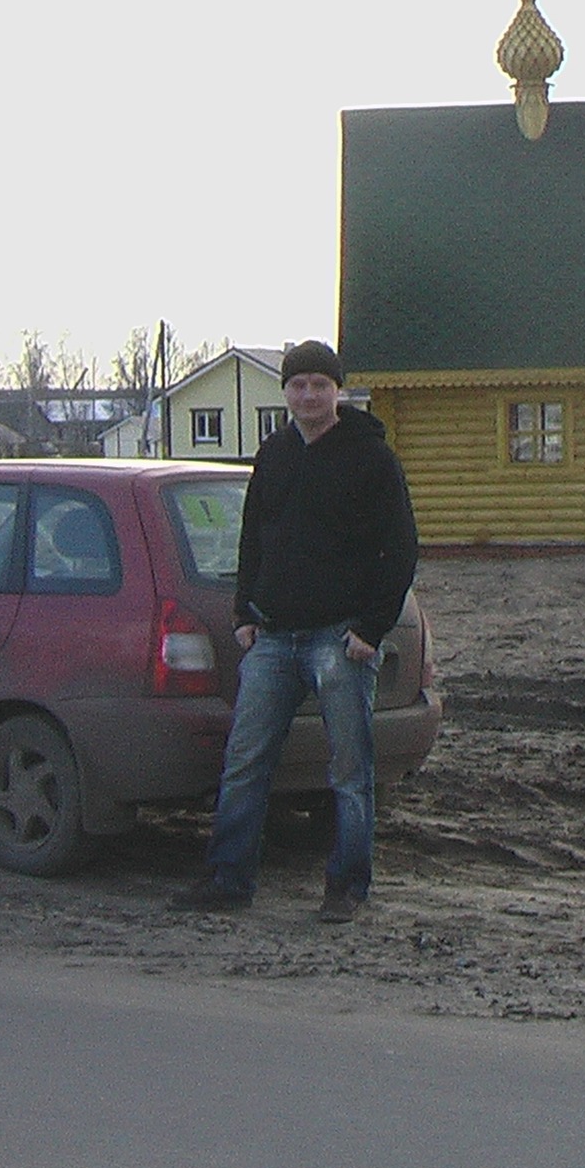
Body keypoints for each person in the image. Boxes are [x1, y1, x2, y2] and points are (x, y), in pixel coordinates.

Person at [170, 340, 418, 922]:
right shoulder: (275, 455)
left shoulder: (371, 459)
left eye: (320, 385)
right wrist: (244, 613)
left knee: (351, 772)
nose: (309, 395)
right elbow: (252, 536)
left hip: (340, 641)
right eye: (298, 384)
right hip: (274, 638)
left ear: (338, 391)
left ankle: (346, 886)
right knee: (245, 762)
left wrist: (371, 629)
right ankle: (229, 880)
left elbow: (401, 548)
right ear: (284, 392)